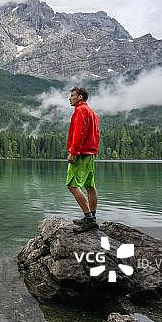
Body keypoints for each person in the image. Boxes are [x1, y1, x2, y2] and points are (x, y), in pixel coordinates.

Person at [66, 86, 100, 233]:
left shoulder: (80, 111)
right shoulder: (93, 113)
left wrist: (73, 152)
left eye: (72, 95)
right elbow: (97, 134)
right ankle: (91, 216)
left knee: (72, 185)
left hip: (80, 154)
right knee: (89, 185)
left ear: (80, 97)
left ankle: (89, 219)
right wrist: (95, 151)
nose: (70, 98)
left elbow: (79, 133)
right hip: (90, 154)